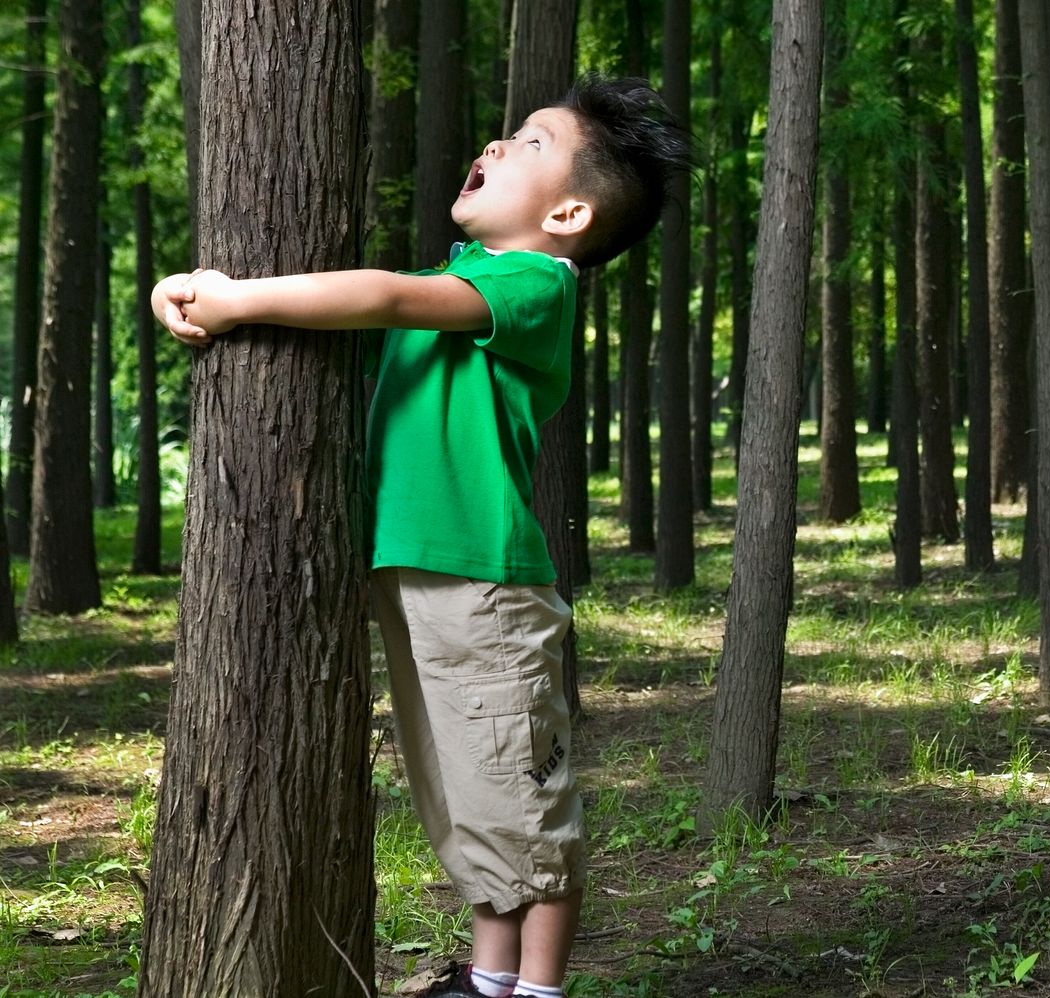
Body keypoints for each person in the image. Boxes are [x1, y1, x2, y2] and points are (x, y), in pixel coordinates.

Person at [151, 74, 692, 998]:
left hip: (483, 583)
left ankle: (539, 991)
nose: (494, 142)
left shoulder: (530, 283)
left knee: (525, 806)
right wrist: (194, 289)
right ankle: (486, 983)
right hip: (428, 575)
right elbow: (377, 303)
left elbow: (387, 298)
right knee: (469, 798)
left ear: (566, 214)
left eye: (528, 142)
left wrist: (234, 298)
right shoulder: (475, 274)